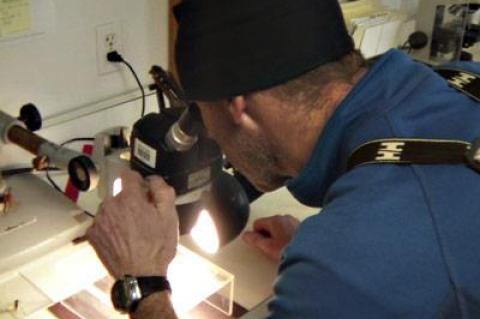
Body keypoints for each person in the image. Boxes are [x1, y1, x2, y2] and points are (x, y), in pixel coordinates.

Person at [87, 0, 480, 318]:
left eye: (207, 121)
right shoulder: (459, 81)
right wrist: (326, 257)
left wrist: (143, 283)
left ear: (236, 106)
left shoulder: (350, 264)